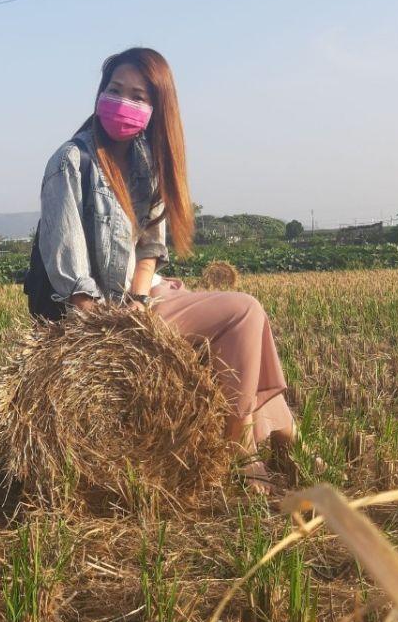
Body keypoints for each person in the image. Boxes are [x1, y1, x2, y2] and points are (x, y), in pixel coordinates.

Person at [31, 46, 302, 494]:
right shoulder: (70, 161)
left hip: (140, 299)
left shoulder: (146, 162)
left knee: (246, 325)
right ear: (99, 94)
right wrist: (111, 328)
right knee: (245, 313)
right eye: (115, 90)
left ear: (157, 109)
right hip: (99, 313)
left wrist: (140, 301)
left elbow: (150, 250)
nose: (123, 102)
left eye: (138, 96)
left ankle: (268, 435)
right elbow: (68, 264)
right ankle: (246, 451)